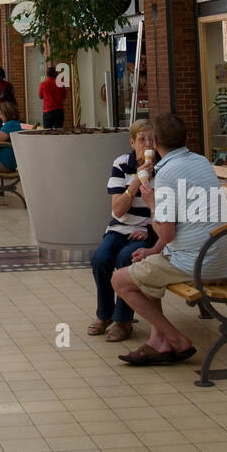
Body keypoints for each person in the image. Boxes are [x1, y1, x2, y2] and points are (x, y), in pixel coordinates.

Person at [111, 113, 227, 365]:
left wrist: (151, 203)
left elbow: (166, 232)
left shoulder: (166, 174)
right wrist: (153, 249)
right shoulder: (201, 161)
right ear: (185, 138)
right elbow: (174, 232)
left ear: (155, 143)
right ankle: (158, 342)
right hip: (220, 256)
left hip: (199, 263)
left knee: (120, 280)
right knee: (150, 264)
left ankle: (176, 340)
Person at [88, 120, 159, 343]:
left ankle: (123, 320)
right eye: (142, 140)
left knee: (126, 257)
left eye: (151, 139)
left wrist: (149, 230)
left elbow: (166, 209)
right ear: (132, 142)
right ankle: (105, 315)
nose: (147, 144)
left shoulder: (163, 167)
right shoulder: (122, 164)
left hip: (148, 231)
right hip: (119, 227)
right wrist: (136, 183)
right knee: (100, 258)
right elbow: (117, 210)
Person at [38, 66, 67, 130]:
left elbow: (40, 96)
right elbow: (64, 97)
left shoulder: (43, 84)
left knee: (47, 133)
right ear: (55, 74)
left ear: (47, 74)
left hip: (48, 111)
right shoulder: (61, 84)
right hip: (59, 111)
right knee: (59, 132)